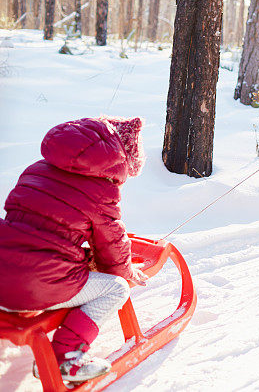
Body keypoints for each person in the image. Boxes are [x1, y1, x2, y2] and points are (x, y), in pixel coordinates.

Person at [0, 117, 148, 382]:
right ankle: (66, 357)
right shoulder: (103, 191)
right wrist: (124, 271)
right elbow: (112, 249)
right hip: (34, 285)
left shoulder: (36, 169)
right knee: (116, 288)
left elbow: (32, 221)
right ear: (119, 161)